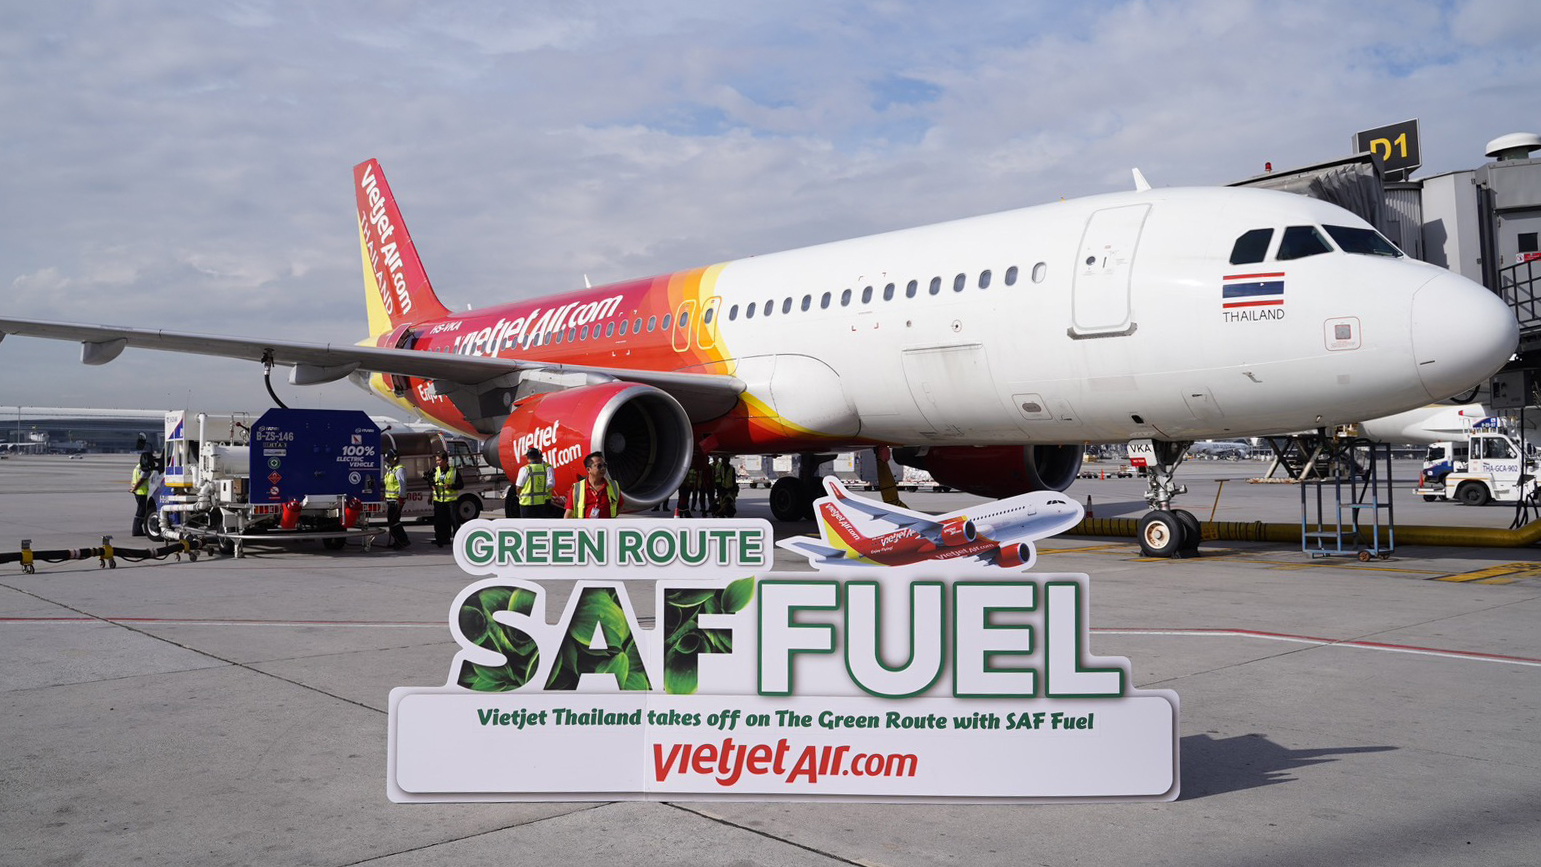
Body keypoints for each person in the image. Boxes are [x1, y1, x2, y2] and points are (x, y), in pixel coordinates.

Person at [564, 452, 623, 518]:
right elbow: (569, 513)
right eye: (599, 466)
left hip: (606, 527)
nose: (603, 468)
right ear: (588, 470)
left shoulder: (613, 486)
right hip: (585, 528)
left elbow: (620, 506)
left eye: (605, 465)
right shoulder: (577, 488)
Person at [428, 452, 462, 546]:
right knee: (439, 522)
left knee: (454, 521)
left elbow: (461, 485)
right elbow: (431, 482)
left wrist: (451, 486)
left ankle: (458, 540)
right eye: (436, 461)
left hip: (451, 501)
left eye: (439, 460)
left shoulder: (454, 471)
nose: (437, 462)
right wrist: (432, 489)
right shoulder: (435, 471)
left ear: (445, 460)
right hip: (439, 501)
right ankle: (441, 539)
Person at [512, 447, 554, 518]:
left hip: (526, 504)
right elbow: (550, 484)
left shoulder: (525, 469)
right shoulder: (545, 468)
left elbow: (518, 487)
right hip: (541, 503)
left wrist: (519, 496)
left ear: (527, 458)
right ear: (538, 457)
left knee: (527, 526)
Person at [382, 449, 410, 549]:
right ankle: (398, 541)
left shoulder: (399, 469)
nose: (387, 461)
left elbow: (402, 484)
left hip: (396, 501)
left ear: (395, 458)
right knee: (392, 521)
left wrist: (401, 499)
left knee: (394, 521)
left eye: (389, 459)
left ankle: (403, 540)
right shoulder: (391, 470)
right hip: (391, 500)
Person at [129, 451, 154, 536]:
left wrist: (133, 488)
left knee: (142, 511)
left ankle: (138, 529)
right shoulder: (145, 468)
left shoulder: (138, 466)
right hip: (142, 492)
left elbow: (134, 478)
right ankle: (136, 530)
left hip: (138, 492)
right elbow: (141, 480)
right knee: (141, 512)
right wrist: (134, 488)